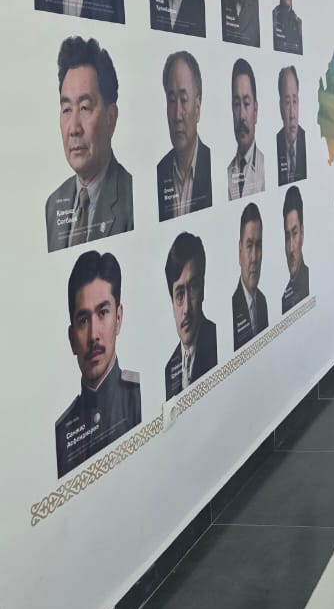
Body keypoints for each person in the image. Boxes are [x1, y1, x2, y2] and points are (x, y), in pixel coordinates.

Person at [55, 250, 140, 477]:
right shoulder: (61, 432)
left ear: (118, 319)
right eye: (83, 320)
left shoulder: (139, 394)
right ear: (72, 339)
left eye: (103, 312)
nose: (93, 335)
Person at [46, 36, 134, 252]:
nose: (73, 128)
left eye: (85, 108)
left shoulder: (132, 199)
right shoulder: (53, 204)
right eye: (67, 109)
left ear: (111, 117)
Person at [157, 51, 212, 220]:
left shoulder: (212, 164)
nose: (177, 115)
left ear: (198, 108)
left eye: (184, 99)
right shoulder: (160, 171)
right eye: (172, 100)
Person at [163, 232, 217, 399]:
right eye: (179, 294)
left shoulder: (217, 341)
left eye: (193, 288)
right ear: (172, 302)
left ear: (203, 289)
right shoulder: (169, 368)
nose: (186, 308)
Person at [227, 58, 265, 199]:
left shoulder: (265, 167)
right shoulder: (227, 173)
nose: (242, 115)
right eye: (237, 104)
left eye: (247, 103)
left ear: (255, 110)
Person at [233, 203, 267, 349]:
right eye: (249, 246)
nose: (254, 257)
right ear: (240, 251)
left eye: (258, 245)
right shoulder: (232, 307)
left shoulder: (263, 302)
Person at [277, 65, 307, 184]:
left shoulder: (305, 139)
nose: (292, 115)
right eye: (287, 103)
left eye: (294, 101)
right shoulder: (276, 142)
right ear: (280, 108)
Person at [281, 186, 310, 313]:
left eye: (295, 233)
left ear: (302, 233)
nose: (291, 248)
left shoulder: (309, 280)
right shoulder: (284, 299)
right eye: (287, 236)